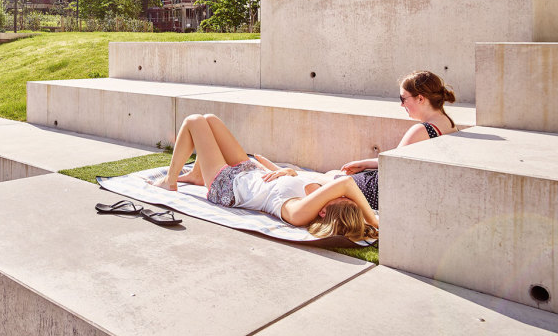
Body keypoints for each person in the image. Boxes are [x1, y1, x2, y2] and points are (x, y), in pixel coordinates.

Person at [150, 113, 378, 241]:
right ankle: (197, 174)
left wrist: (375, 222)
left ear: (323, 212)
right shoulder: (315, 199)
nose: (343, 195)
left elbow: (346, 183)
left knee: (193, 121)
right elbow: (299, 184)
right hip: (249, 172)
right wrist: (288, 172)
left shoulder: (298, 214)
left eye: (342, 199)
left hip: (228, 185)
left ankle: (170, 181)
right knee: (210, 119)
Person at [339, 70, 456, 210]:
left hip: (384, 193)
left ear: (420, 99)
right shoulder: (449, 123)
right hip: (412, 189)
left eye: (403, 99)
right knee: (334, 176)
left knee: (330, 181)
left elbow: (391, 165)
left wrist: (364, 164)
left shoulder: (421, 130)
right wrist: (364, 164)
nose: (401, 105)